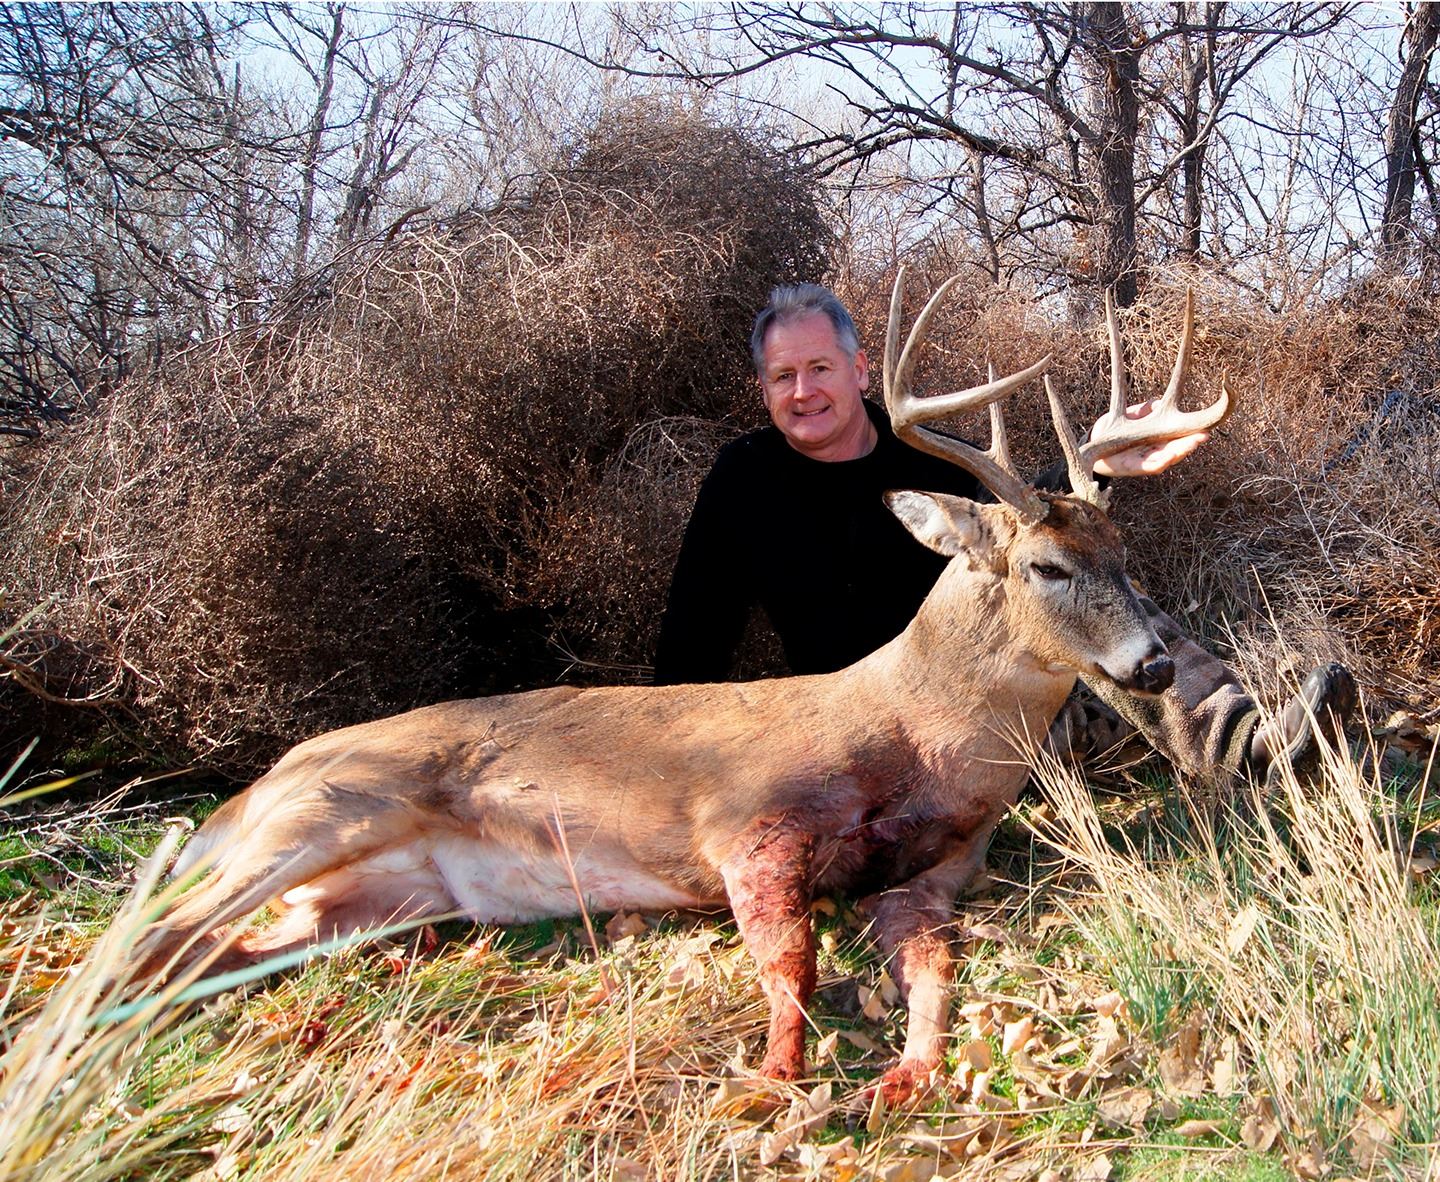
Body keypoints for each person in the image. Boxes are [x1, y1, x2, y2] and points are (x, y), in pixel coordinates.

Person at [654, 281, 1355, 779]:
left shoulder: (928, 460)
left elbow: (1026, 522)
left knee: (1074, 578)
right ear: (764, 389)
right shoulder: (743, 480)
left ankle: (1249, 745)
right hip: (850, 732)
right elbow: (696, 625)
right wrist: (669, 749)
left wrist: (1101, 464)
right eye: (783, 376)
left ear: (860, 371)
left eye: (819, 368)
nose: (803, 391)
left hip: (981, 704)